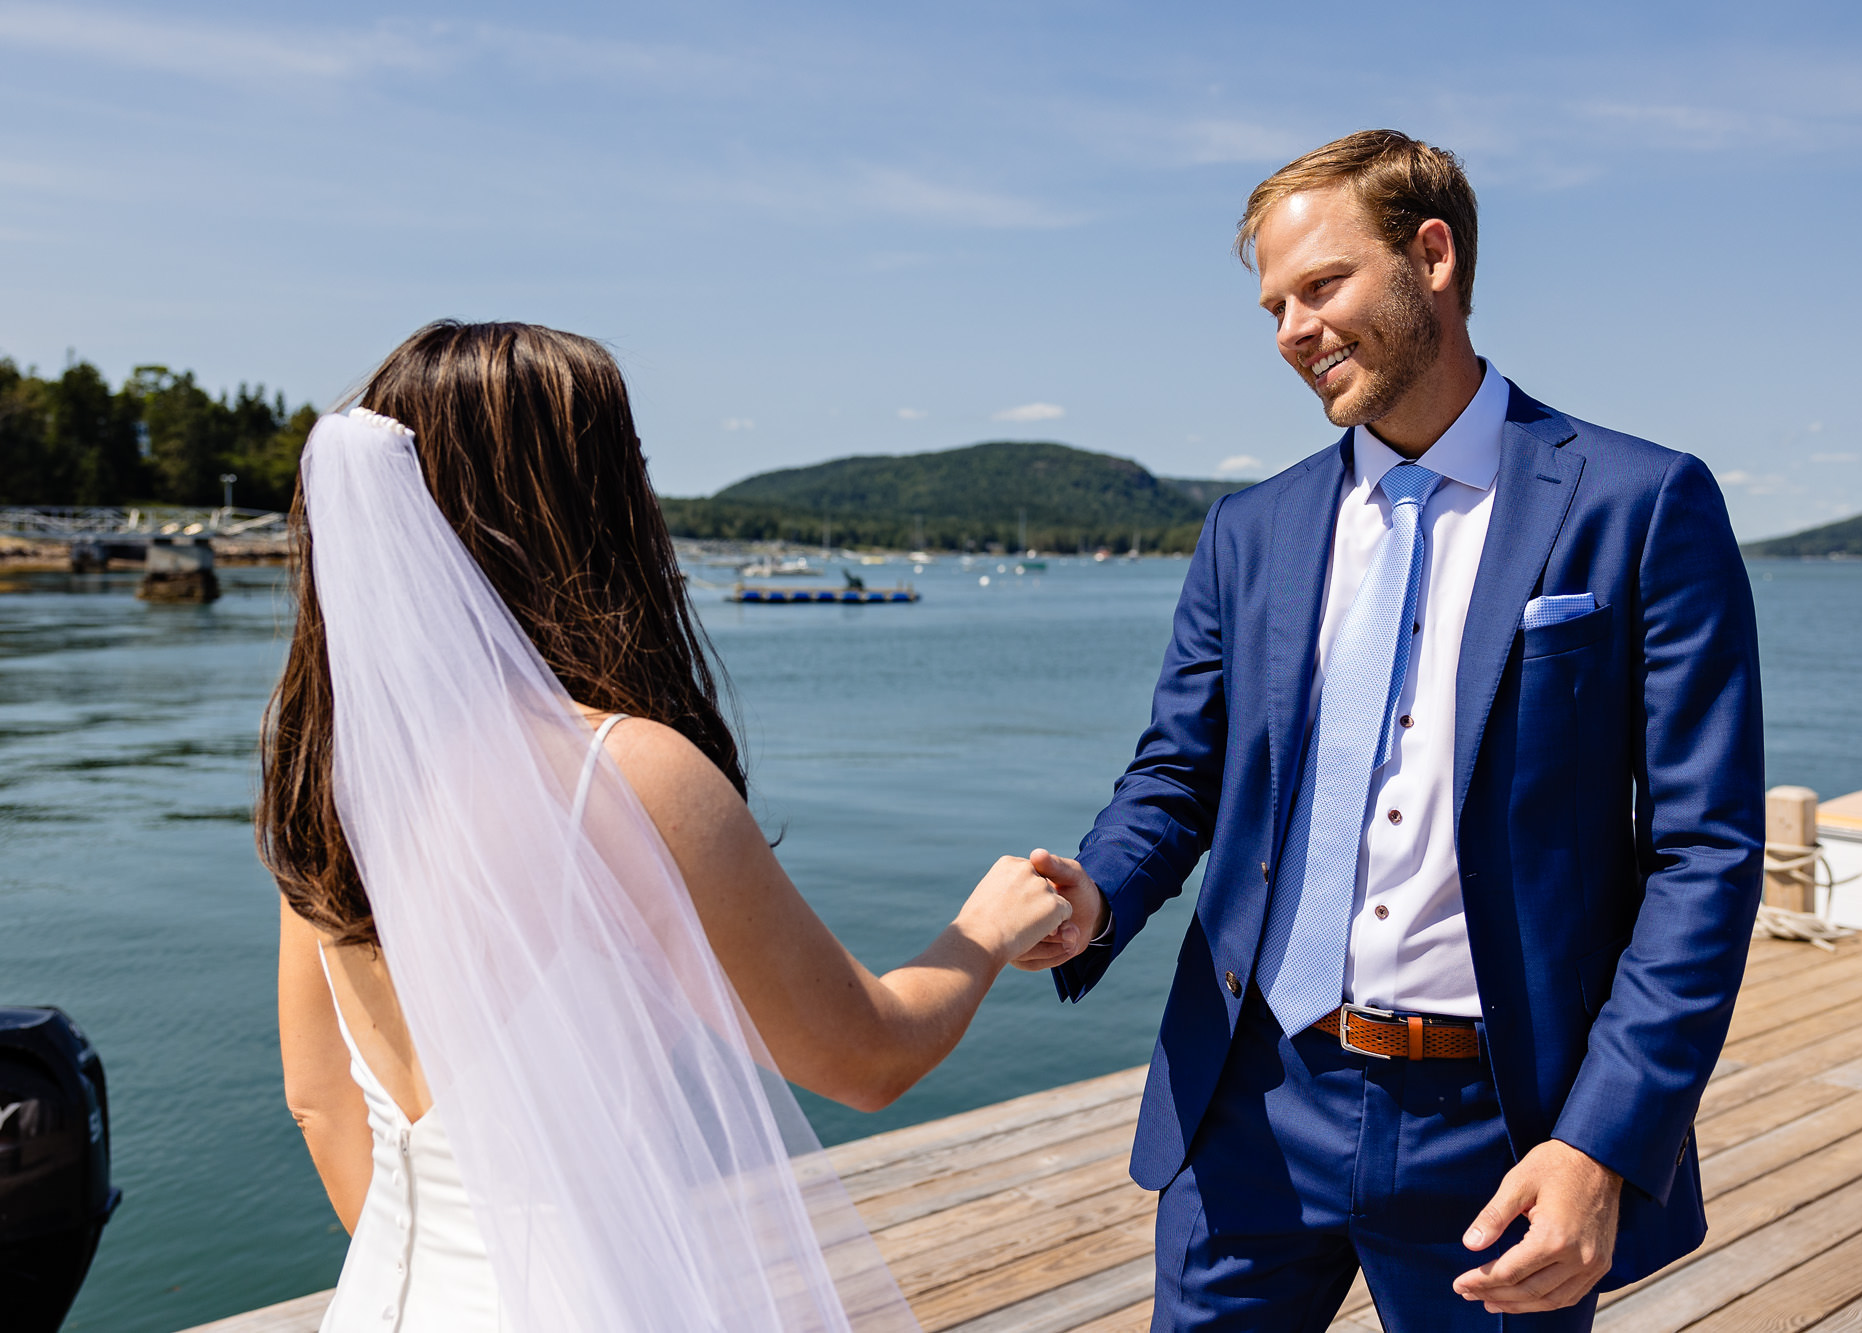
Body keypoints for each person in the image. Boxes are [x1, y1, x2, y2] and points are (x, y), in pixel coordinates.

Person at [1013, 130, 1764, 1331]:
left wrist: (1600, 1142)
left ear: (1433, 255)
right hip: (1250, 1102)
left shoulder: (1640, 504)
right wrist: (1093, 893)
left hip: (1501, 1122)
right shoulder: (1249, 531)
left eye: (1320, 287)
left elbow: (1705, 857)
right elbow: (1179, 773)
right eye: (1270, 307)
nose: (1289, 332)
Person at [260, 321, 1070, 1331]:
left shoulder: (341, 775)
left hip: (389, 1297)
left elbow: (320, 1099)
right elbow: (864, 1056)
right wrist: (985, 930)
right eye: (629, 468)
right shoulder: (625, 769)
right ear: (572, 504)